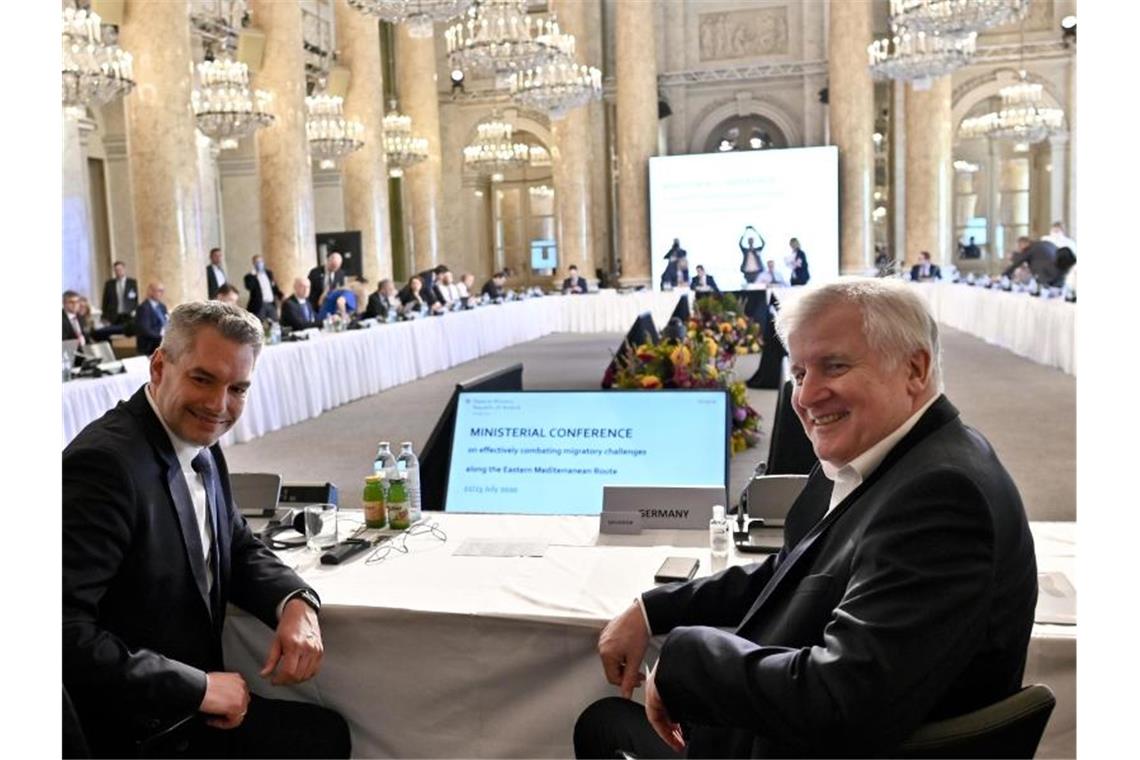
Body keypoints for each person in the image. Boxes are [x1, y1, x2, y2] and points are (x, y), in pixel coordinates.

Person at [575, 278, 1036, 759]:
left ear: (915, 369)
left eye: (833, 366)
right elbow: (792, 571)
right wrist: (655, 609)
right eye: (797, 373)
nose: (807, 395)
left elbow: (838, 700)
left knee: (603, 725)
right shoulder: (888, 456)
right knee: (606, 720)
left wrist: (682, 662)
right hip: (783, 729)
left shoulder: (942, 497)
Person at [63, 301, 350, 758]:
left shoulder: (197, 442)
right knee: (324, 738)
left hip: (189, 702)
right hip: (136, 726)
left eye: (238, 388)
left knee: (328, 728)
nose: (219, 405)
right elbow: (63, 632)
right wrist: (198, 689)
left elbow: (234, 541)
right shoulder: (105, 466)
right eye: (203, 379)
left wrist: (294, 600)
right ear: (160, 366)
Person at [244, 255, 283, 321]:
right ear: (253, 263)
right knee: (259, 325)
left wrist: (281, 296)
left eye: (260, 261)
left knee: (275, 324)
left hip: (271, 304)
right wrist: (253, 276)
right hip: (259, 305)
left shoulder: (269, 273)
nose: (259, 264)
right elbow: (249, 287)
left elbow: (274, 287)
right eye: (257, 262)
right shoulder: (249, 276)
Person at [134, 282, 169, 357]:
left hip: (162, 341)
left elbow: (166, 323)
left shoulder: (162, 307)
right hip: (150, 345)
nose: (162, 293)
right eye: (159, 291)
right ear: (150, 291)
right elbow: (146, 331)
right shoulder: (143, 308)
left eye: (163, 291)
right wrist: (162, 337)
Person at [101, 260, 139, 326]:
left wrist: (136, 311)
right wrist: (104, 316)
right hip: (114, 316)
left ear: (124, 269)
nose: (118, 272)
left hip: (129, 315)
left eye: (120, 269)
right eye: (116, 270)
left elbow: (137, 298)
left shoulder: (133, 283)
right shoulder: (109, 284)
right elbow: (105, 301)